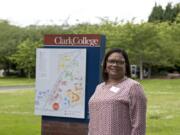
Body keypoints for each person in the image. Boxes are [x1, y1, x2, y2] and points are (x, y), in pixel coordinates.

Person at [88, 48, 147, 135]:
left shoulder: (133, 87)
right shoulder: (99, 87)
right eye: (111, 61)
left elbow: (139, 125)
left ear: (126, 66)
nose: (115, 64)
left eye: (120, 62)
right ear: (105, 66)